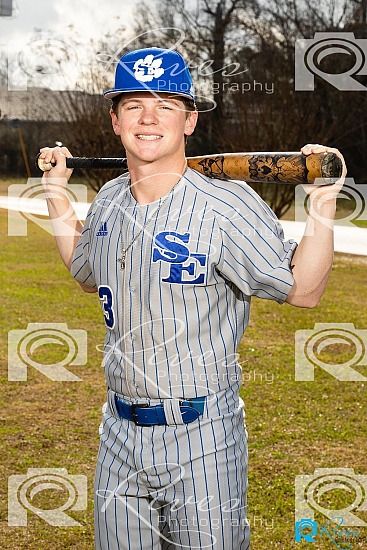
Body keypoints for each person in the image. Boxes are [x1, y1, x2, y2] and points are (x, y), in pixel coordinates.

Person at [39, 47, 346, 550]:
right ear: (116, 121)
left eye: (166, 104)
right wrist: (56, 194)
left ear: (190, 120)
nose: (149, 117)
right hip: (117, 432)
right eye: (135, 105)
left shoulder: (228, 206)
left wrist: (324, 208)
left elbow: (304, 291)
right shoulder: (112, 199)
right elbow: (85, 271)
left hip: (202, 436)